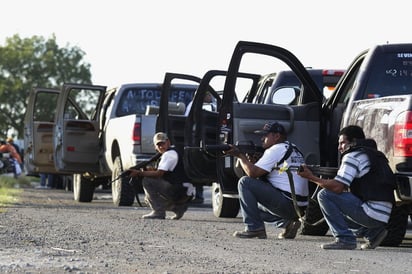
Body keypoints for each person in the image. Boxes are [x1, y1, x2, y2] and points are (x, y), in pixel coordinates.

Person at [298, 125, 394, 250]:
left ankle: (344, 239)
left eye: (342, 143)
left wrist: (311, 177)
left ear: (353, 142)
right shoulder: (373, 155)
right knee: (335, 206)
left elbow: (337, 188)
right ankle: (373, 233)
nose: (339, 148)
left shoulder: (352, 156)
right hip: (383, 216)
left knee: (325, 195)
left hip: (371, 213)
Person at [224, 122, 308, 239]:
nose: (262, 138)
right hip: (300, 206)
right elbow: (274, 175)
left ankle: (254, 228)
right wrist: (253, 162)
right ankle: (287, 223)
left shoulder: (275, 149)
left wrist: (240, 156)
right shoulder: (292, 148)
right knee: (250, 204)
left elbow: (252, 174)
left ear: (277, 136)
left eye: (265, 135)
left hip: (288, 203)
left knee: (245, 183)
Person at [128, 132, 194, 219]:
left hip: (179, 190)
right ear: (155, 147)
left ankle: (158, 212)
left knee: (147, 181)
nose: (161, 146)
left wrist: (139, 173)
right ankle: (178, 208)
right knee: (147, 199)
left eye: (163, 143)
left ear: (168, 142)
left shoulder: (168, 154)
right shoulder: (176, 151)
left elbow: (159, 173)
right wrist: (148, 171)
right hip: (187, 191)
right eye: (158, 145)